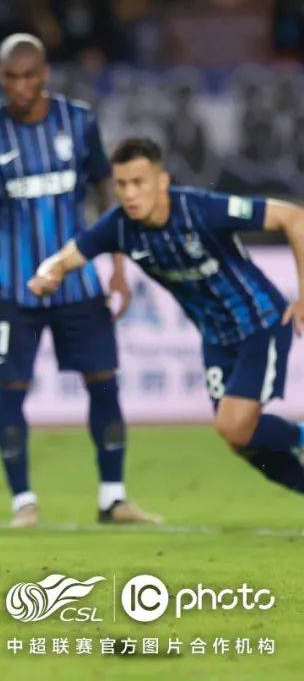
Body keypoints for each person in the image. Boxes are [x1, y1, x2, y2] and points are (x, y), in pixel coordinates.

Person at [0, 33, 159, 527]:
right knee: (11, 388)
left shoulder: (79, 122)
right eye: (11, 77)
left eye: (29, 76)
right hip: (14, 288)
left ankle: (113, 498)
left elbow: (108, 193)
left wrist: (118, 268)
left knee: (104, 382)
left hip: (79, 284)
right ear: (0, 78)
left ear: (44, 75)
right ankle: (23, 502)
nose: (21, 86)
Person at [29, 137, 304, 495]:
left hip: (261, 323)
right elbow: (69, 255)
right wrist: (48, 273)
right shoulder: (119, 226)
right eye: (122, 184)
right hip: (217, 340)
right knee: (241, 442)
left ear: (162, 181)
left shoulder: (201, 209)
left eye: (138, 182)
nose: (129, 194)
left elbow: (292, 216)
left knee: (235, 428)